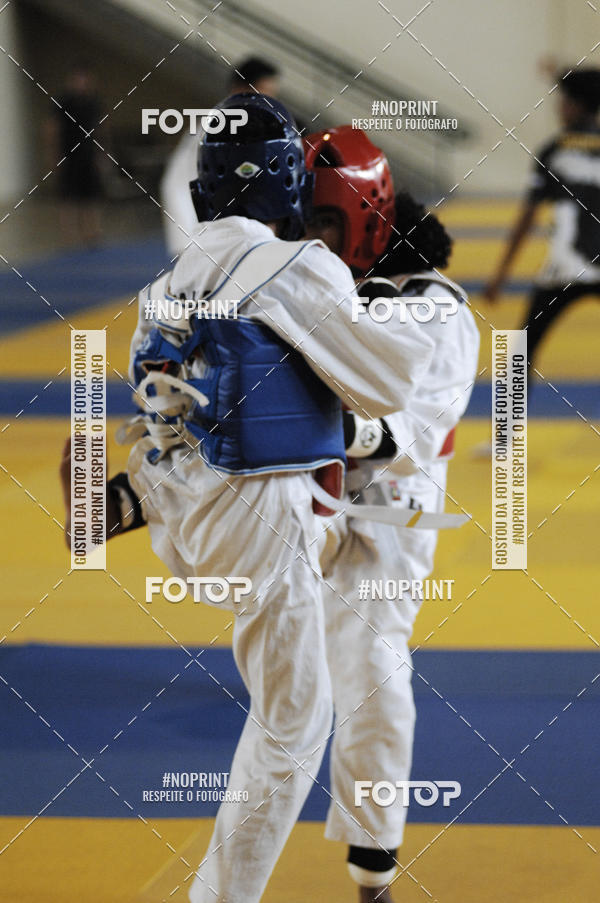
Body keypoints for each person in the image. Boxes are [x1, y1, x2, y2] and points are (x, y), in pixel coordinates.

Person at [61, 95, 434, 902]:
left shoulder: (165, 279)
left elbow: (158, 393)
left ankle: (127, 495)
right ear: (284, 185)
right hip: (258, 516)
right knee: (295, 722)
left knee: (229, 444)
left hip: (188, 513)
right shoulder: (297, 265)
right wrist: (391, 325)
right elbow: (386, 378)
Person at [304, 126, 480, 902]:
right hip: (311, 490)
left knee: (370, 669)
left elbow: (404, 434)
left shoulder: (437, 313)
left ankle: (373, 864)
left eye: (327, 224)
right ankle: (134, 505)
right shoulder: (324, 283)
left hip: (384, 518)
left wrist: (305, 423)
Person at [484, 67, 600, 385]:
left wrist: (500, 274)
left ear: (575, 105)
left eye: (562, 100)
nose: (558, 106)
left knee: (522, 351)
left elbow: (526, 219)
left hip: (564, 268)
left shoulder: (555, 151)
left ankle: (505, 436)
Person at [160, 57, 280, 256]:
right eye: (264, 91)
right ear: (239, 89)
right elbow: (177, 181)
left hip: (225, 229)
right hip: (202, 229)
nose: (269, 100)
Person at [45, 61, 105, 246]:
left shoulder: (93, 102)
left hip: (88, 154)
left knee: (91, 195)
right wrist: (53, 156)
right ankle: (69, 235)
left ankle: (92, 232)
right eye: (78, 79)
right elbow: (51, 129)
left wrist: (102, 154)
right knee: (68, 197)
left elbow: (100, 129)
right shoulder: (63, 102)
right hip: (68, 155)